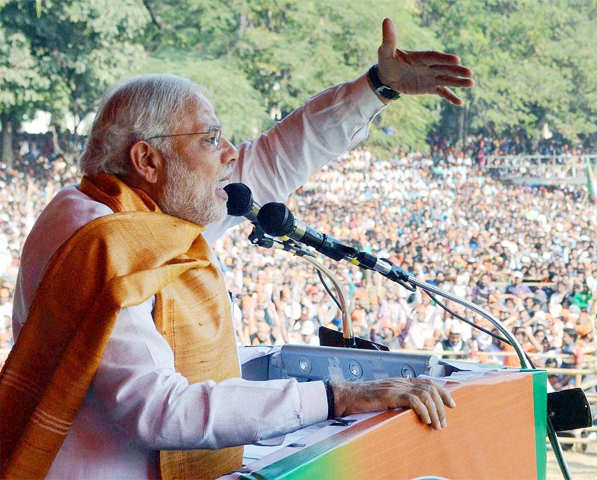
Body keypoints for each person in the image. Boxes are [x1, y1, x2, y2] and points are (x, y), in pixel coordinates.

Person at [0, 18, 472, 479]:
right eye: (210, 139)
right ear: (147, 160)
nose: (229, 152)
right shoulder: (104, 242)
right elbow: (160, 409)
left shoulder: (147, 217)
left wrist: (377, 87)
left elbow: (271, 160)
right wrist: (337, 397)